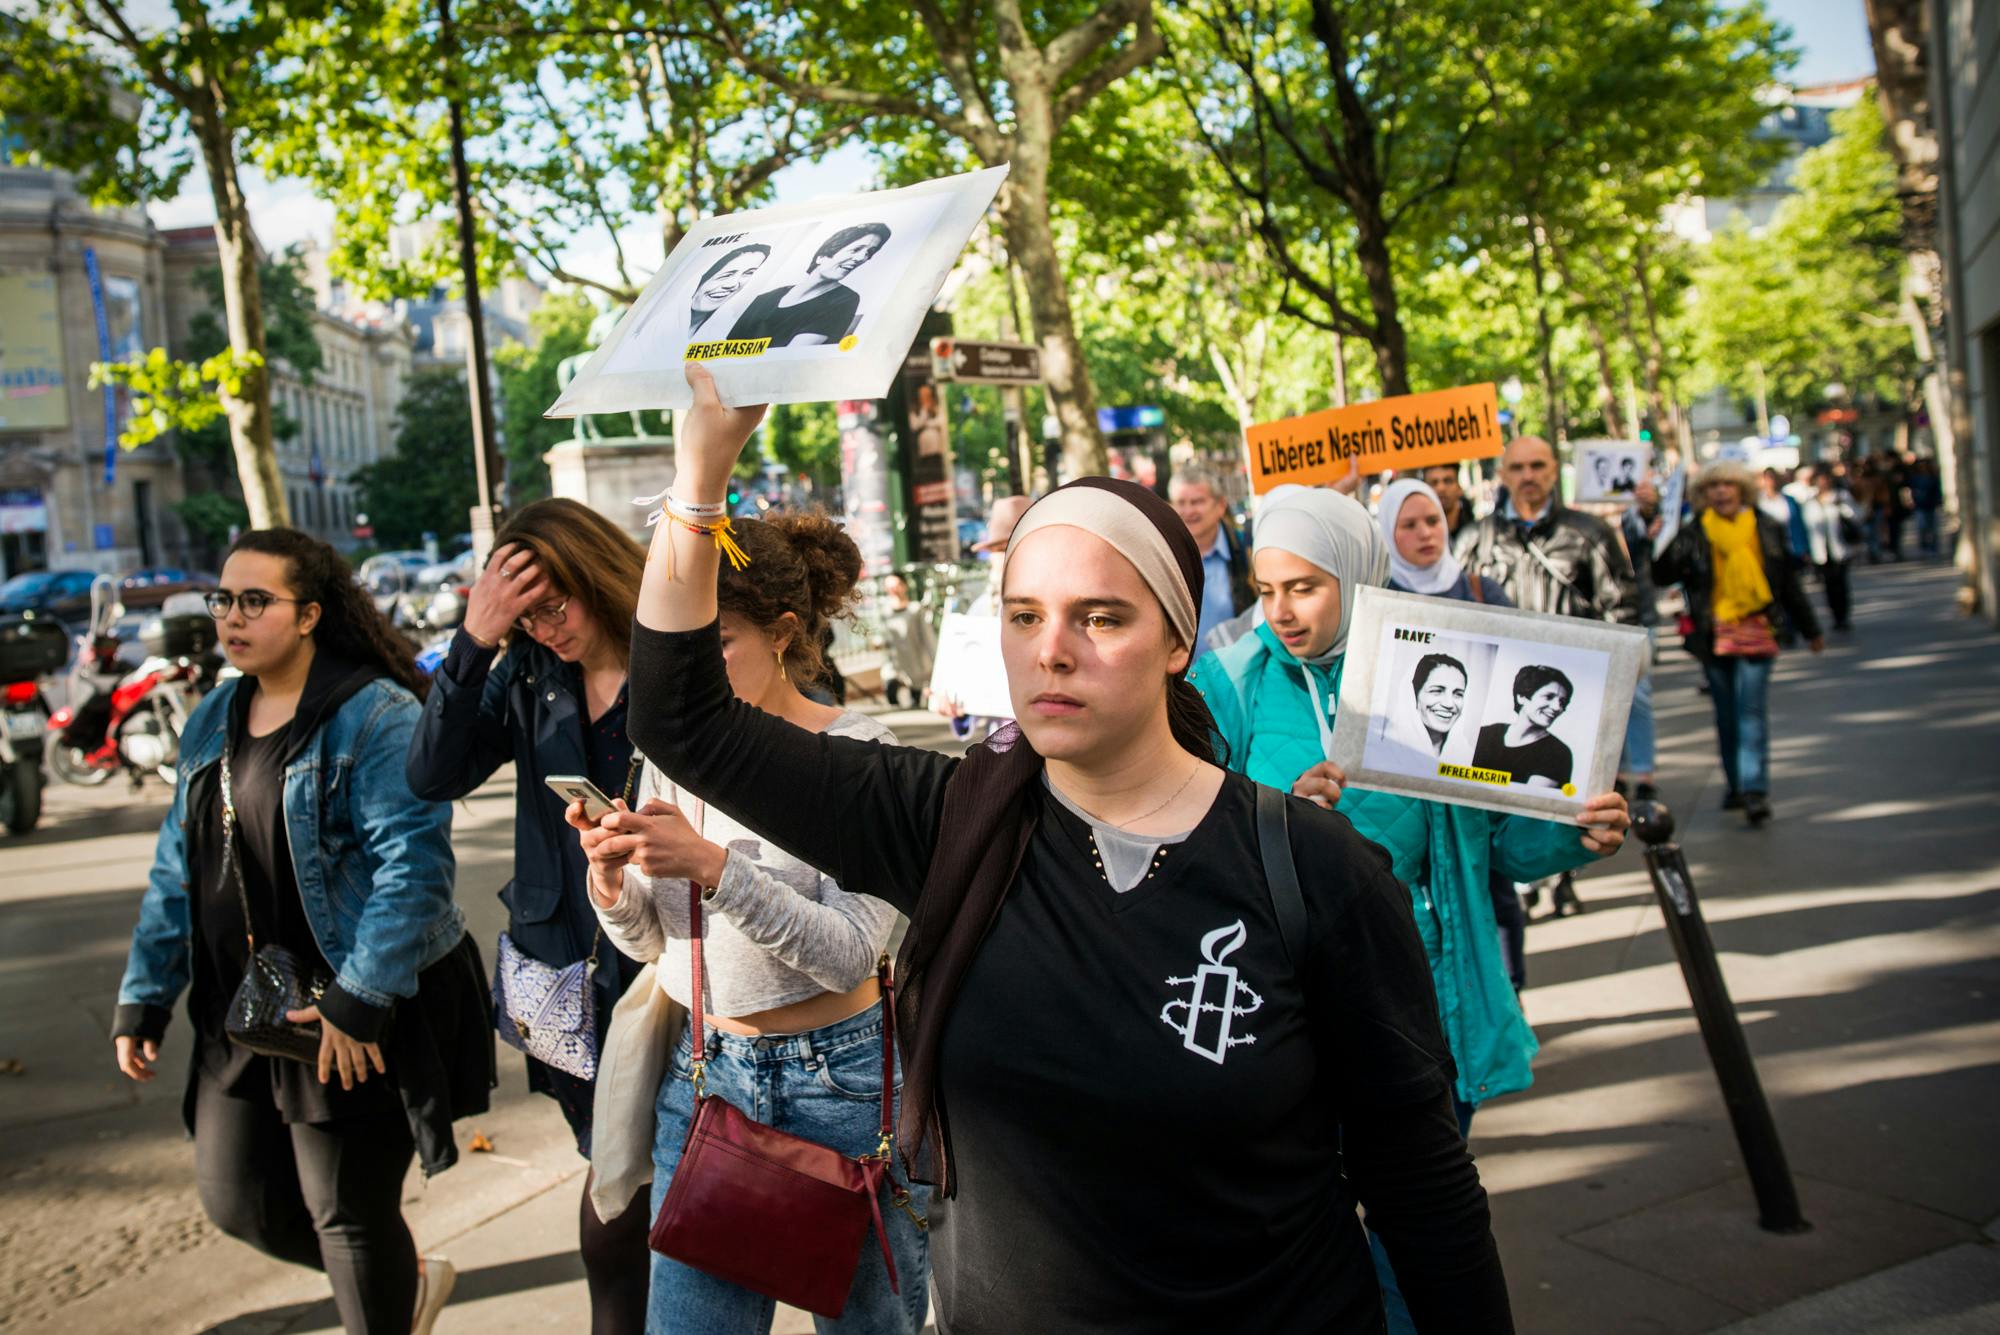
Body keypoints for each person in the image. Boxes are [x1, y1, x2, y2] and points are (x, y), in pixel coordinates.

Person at [625, 364, 1518, 1332]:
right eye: (1024, 617)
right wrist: (698, 478)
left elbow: (1420, 1189)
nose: (1051, 650)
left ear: (1177, 640)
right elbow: (680, 721)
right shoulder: (947, 821)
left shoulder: (1316, 871)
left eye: (1099, 617)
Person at [1188, 484, 1627, 1335]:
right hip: (1289, 1016)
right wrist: (1279, 811)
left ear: (1356, 577)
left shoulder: (1435, 671)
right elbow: (1190, 843)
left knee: (1415, 1235)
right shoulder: (1228, 685)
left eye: (1304, 587)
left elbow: (1492, 847)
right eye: (1265, 587)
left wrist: (1578, 834)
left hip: (1426, 1005)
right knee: (1305, 1235)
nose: (1279, 610)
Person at [113, 528, 491, 1335]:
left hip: (345, 1008)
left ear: (311, 613)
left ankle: (385, 1296)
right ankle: (406, 1279)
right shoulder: (215, 714)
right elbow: (176, 868)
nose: (231, 617)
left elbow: (414, 869)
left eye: (256, 600)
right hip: (248, 1006)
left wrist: (361, 996)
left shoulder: (373, 715)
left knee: (346, 1213)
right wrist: (144, 995)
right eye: (224, 599)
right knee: (237, 1199)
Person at [567, 511, 929, 1334]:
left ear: (783, 633)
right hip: (707, 1074)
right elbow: (658, 948)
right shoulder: (670, 757)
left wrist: (714, 866)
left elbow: (848, 954)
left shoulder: (861, 752)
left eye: (714, 643)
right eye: (673, 650)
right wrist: (611, 879)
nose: (687, 674)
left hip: (844, 1089)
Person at [405, 499, 652, 1334]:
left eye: (558, 604)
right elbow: (433, 773)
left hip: (676, 951)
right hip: (570, 968)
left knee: (664, 1177)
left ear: (597, 575)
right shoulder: (525, 674)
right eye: (528, 614)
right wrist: (475, 641)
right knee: (611, 1167)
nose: (546, 626)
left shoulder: (673, 651)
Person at [1459, 436, 1644, 911]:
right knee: (1506, 800)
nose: (1528, 475)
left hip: (1574, 696)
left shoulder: (1589, 533)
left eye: (1538, 465)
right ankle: (1524, 889)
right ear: (1502, 474)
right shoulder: (1476, 539)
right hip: (1504, 697)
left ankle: (1564, 879)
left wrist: (1613, 683)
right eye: (1517, 467)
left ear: (1553, 469)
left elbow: (1621, 607)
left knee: (1570, 794)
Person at [1381, 478, 1531, 987]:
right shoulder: (1380, 600)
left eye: (1433, 521)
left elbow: (1518, 664)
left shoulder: (1480, 590)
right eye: (1409, 525)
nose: (1425, 533)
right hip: (1413, 776)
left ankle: (1508, 990)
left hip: (1481, 769)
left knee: (1495, 884)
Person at [1653, 460, 1824, 826]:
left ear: (1742, 489)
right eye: (1714, 487)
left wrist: (1811, 629)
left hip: (1759, 628)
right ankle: (1735, 783)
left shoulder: (1766, 527)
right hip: (1713, 635)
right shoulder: (1695, 532)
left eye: (1728, 485)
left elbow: (1788, 583)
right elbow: (1662, 573)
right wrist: (1663, 536)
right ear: (1703, 495)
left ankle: (1755, 789)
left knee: (1750, 710)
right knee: (1726, 712)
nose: (1721, 492)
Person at [606, 243, 772, 372]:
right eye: (727, 274)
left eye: (749, 273)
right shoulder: (649, 333)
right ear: (702, 276)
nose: (733, 284)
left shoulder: (734, 328)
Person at [727, 223, 890, 348]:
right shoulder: (763, 299)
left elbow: (793, 356)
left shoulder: (845, 300)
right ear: (823, 256)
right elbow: (730, 349)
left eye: (869, 253)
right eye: (857, 249)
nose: (862, 257)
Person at [1168, 461, 1255, 652]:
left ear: (1220, 505)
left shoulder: (1247, 551)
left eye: (1197, 501)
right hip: (1182, 677)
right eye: (1181, 503)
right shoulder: (1162, 557)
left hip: (1237, 673)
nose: (1189, 511)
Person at [1471, 665, 1577, 789]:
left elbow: (1528, 800)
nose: (1557, 707)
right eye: (1549, 697)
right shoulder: (1485, 734)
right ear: (1522, 697)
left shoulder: (1558, 753)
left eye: (1562, 702)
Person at [1799, 465, 1858, 630]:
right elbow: (1806, 526)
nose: (1823, 483)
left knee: (1841, 583)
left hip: (1840, 549)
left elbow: (1855, 515)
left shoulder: (1840, 496)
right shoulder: (1809, 501)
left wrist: (1842, 507)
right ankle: (1835, 615)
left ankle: (1843, 615)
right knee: (1828, 585)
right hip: (1820, 552)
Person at [1421, 465, 1478, 543]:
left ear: (1459, 487)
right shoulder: (1418, 537)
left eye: (1448, 481)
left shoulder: (1479, 532)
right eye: (1434, 483)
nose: (1441, 488)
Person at [1909, 455, 1944, 557]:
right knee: (1921, 528)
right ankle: (1924, 547)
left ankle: (1934, 548)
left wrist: (1938, 500)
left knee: (1933, 528)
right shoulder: (1915, 478)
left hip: (1931, 505)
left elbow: (1937, 491)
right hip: (1920, 506)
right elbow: (1911, 491)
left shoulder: (1932, 477)